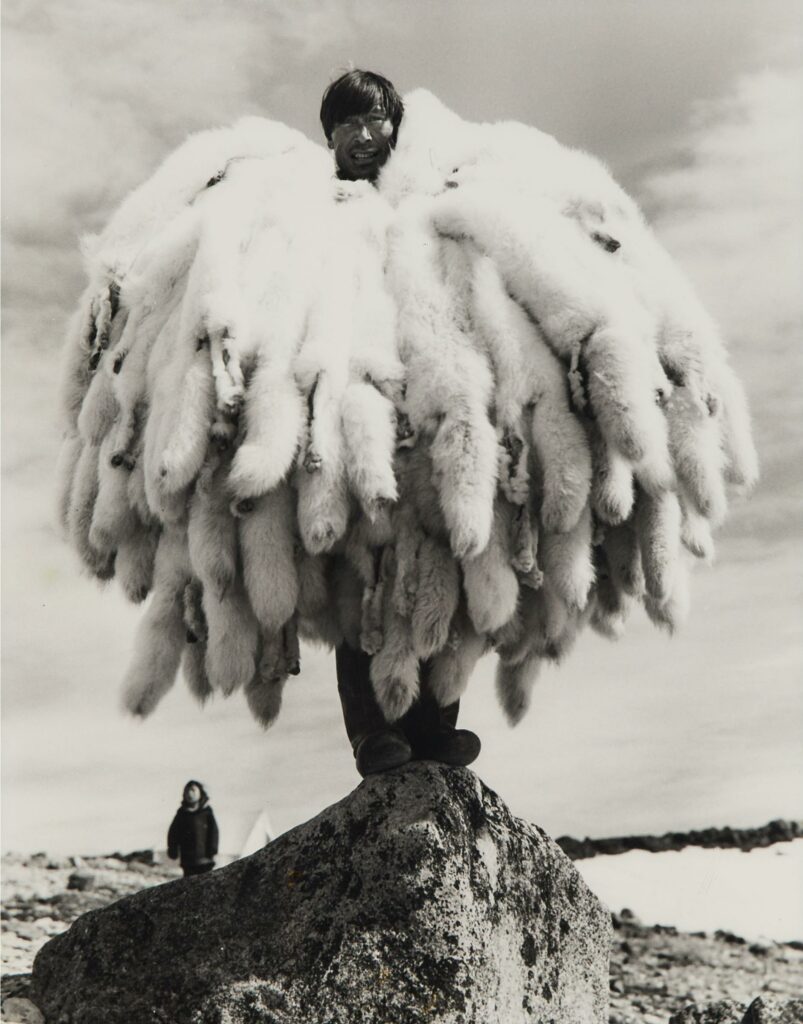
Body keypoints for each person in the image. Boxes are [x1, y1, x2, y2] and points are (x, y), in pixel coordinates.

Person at [320, 70, 482, 778]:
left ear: (396, 124)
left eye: (372, 121)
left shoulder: (426, 196)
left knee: (439, 562)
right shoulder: (316, 203)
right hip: (353, 404)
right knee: (362, 573)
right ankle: (372, 734)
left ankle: (434, 725)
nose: (361, 137)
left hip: (429, 398)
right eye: (344, 126)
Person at [167, 780, 219, 877]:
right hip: (188, 861)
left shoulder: (207, 812)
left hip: (205, 860)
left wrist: (213, 849)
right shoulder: (181, 813)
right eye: (187, 791)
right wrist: (172, 849)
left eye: (193, 790)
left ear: (200, 793)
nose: (190, 794)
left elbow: (213, 832)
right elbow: (173, 833)